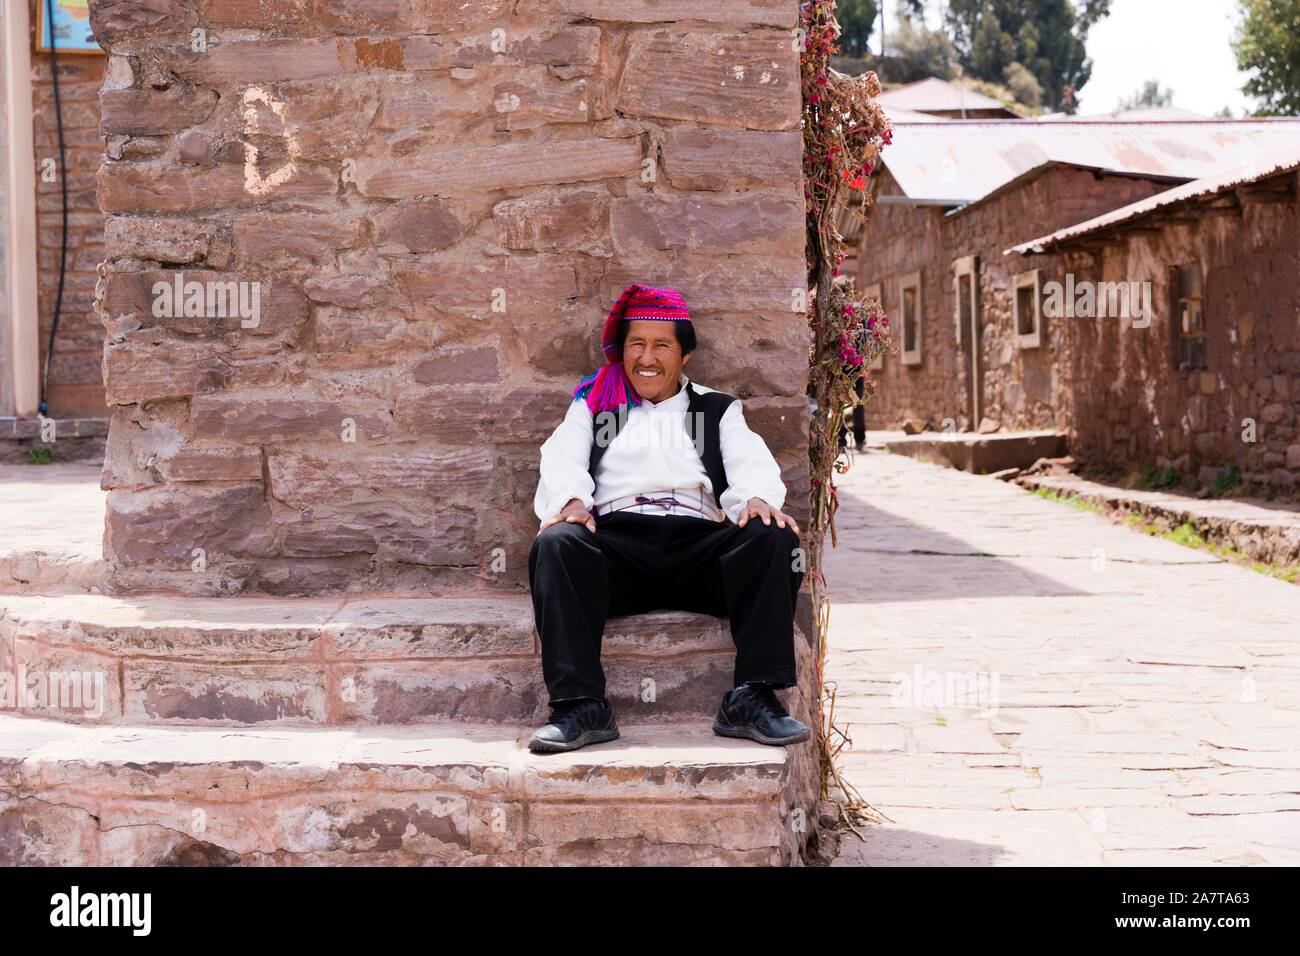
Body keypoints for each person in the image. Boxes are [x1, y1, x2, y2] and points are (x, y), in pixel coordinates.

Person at [527, 283, 810, 753]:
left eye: (661, 346)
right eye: (636, 344)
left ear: (685, 356)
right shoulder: (596, 403)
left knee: (774, 535)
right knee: (557, 543)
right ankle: (580, 707)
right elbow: (562, 459)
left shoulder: (715, 409)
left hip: (700, 549)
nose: (647, 357)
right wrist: (571, 503)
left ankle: (752, 698)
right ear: (623, 351)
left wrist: (756, 499)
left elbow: (749, 462)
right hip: (617, 549)